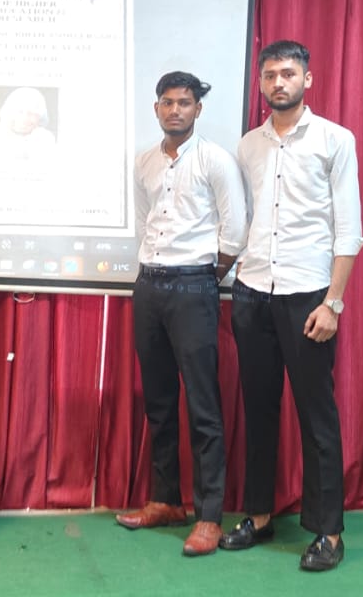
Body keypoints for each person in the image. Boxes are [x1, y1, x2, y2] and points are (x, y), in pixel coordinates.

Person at [219, 40, 363, 572]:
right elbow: (243, 219)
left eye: (288, 73)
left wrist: (334, 303)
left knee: (316, 414)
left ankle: (328, 531)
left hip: (308, 296)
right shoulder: (248, 146)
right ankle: (259, 516)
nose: (278, 82)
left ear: (308, 79)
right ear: (260, 83)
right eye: (270, 75)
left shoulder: (335, 139)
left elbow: (349, 228)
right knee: (258, 410)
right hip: (252, 291)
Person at [115, 70, 246, 557]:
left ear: (197, 109)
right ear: (156, 108)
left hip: (194, 285)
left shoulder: (216, 160)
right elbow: (143, 223)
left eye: (184, 103)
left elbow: (235, 230)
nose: (175, 110)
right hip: (149, 286)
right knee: (159, 401)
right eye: (167, 102)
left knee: (203, 405)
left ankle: (208, 516)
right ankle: (166, 500)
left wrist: (205, 277)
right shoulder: (144, 162)